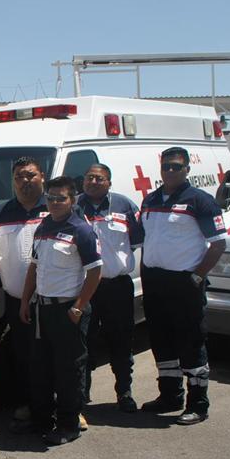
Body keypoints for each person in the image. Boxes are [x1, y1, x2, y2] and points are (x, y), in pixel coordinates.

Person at [139, 146, 227, 425]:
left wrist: (198, 276)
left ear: (187, 169)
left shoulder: (200, 201)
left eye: (176, 166)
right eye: (166, 166)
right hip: (155, 282)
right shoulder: (150, 199)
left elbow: (218, 244)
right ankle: (170, 396)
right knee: (161, 341)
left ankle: (198, 403)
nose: (170, 171)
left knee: (190, 342)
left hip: (185, 283)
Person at [19, 176, 102, 446]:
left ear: (73, 200)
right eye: (50, 198)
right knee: (41, 368)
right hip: (42, 308)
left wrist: (79, 306)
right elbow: (34, 266)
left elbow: (95, 272)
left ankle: (68, 425)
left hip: (68, 310)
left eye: (60, 198)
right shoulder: (43, 227)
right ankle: (42, 420)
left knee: (69, 370)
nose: (54, 203)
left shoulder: (82, 230)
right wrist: (25, 300)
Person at [77, 162, 143, 412]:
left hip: (117, 287)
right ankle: (82, 396)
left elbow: (136, 240)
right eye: (89, 177)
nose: (93, 182)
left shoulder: (124, 206)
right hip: (85, 289)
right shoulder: (73, 207)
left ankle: (124, 393)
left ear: (109, 182)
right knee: (84, 343)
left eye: (99, 179)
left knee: (121, 341)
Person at [0, 156, 50, 424]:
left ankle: (70, 406)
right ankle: (27, 403)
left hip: (54, 299)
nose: (25, 181)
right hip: (16, 299)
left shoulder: (57, 207)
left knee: (60, 354)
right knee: (23, 355)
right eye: (19, 177)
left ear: (42, 177)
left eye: (30, 175)